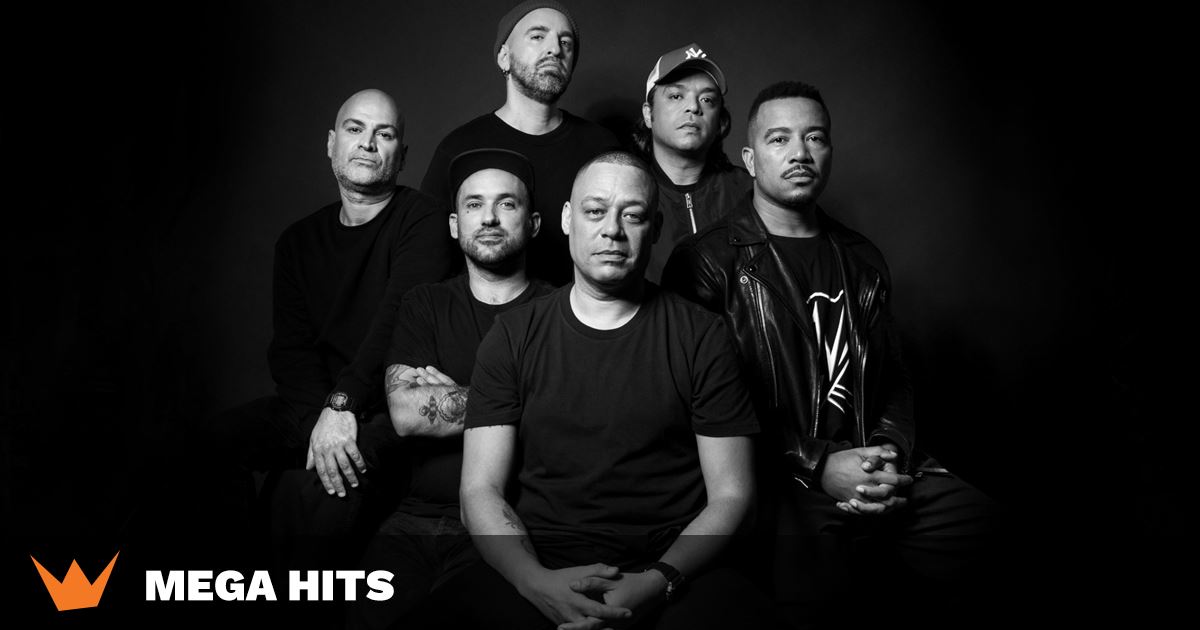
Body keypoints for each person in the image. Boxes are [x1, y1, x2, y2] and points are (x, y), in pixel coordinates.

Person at [662, 81, 998, 626]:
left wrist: (885, 454)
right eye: (779, 139)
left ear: (830, 151)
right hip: (778, 479)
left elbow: (894, 376)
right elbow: (702, 403)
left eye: (814, 137)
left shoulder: (862, 258)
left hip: (876, 467)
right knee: (829, 602)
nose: (799, 153)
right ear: (749, 158)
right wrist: (818, 464)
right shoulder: (707, 262)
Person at [455, 150, 772, 629]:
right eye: (595, 211)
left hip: (670, 565)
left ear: (655, 227)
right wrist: (533, 581)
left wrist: (658, 580)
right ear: (568, 219)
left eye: (633, 215)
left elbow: (733, 496)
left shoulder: (702, 336)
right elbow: (479, 490)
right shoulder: (512, 336)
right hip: (541, 561)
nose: (612, 231)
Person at [211, 88, 455, 560]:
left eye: (384, 134)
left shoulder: (422, 220)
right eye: (354, 129)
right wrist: (320, 423)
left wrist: (343, 404)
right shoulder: (297, 242)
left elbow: (394, 322)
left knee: (327, 494)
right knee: (209, 446)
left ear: (402, 156)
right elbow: (291, 352)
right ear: (331, 143)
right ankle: (229, 580)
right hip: (315, 406)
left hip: (385, 407)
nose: (367, 143)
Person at [347, 148, 554, 630]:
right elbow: (406, 412)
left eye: (506, 204)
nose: (489, 217)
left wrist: (450, 396)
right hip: (413, 520)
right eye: (474, 204)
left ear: (534, 224)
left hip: (512, 521)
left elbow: (565, 410)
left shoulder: (558, 309)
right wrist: (522, 398)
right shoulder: (426, 304)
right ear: (455, 225)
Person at [421, 0, 619, 287]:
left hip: (577, 312)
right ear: (504, 57)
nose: (555, 49)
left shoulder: (602, 148)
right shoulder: (459, 149)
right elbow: (429, 258)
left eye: (566, 42)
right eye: (537, 36)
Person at [632, 43, 751, 284]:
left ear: (719, 121)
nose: (694, 107)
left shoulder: (751, 193)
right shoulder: (628, 192)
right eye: (676, 96)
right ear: (648, 114)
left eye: (707, 99)